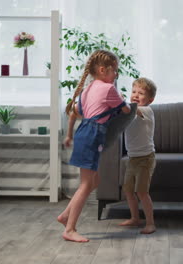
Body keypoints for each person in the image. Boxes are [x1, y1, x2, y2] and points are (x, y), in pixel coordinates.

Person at [58, 50, 131, 242]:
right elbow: (125, 109)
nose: (116, 74)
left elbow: (75, 112)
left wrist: (69, 135)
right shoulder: (108, 89)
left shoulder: (88, 88)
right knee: (86, 184)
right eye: (114, 70)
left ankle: (65, 215)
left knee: (94, 182)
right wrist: (123, 99)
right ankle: (70, 229)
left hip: (85, 133)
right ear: (102, 70)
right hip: (93, 135)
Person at [119, 77, 157, 234]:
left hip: (145, 159)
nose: (135, 95)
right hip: (132, 158)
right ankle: (135, 218)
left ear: (150, 99)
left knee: (142, 192)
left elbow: (134, 110)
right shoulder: (130, 112)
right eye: (134, 91)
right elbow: (125, 113)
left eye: (141, 93)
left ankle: (150, 223)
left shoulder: (146, 111)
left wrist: (120, 101)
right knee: (128, 189)